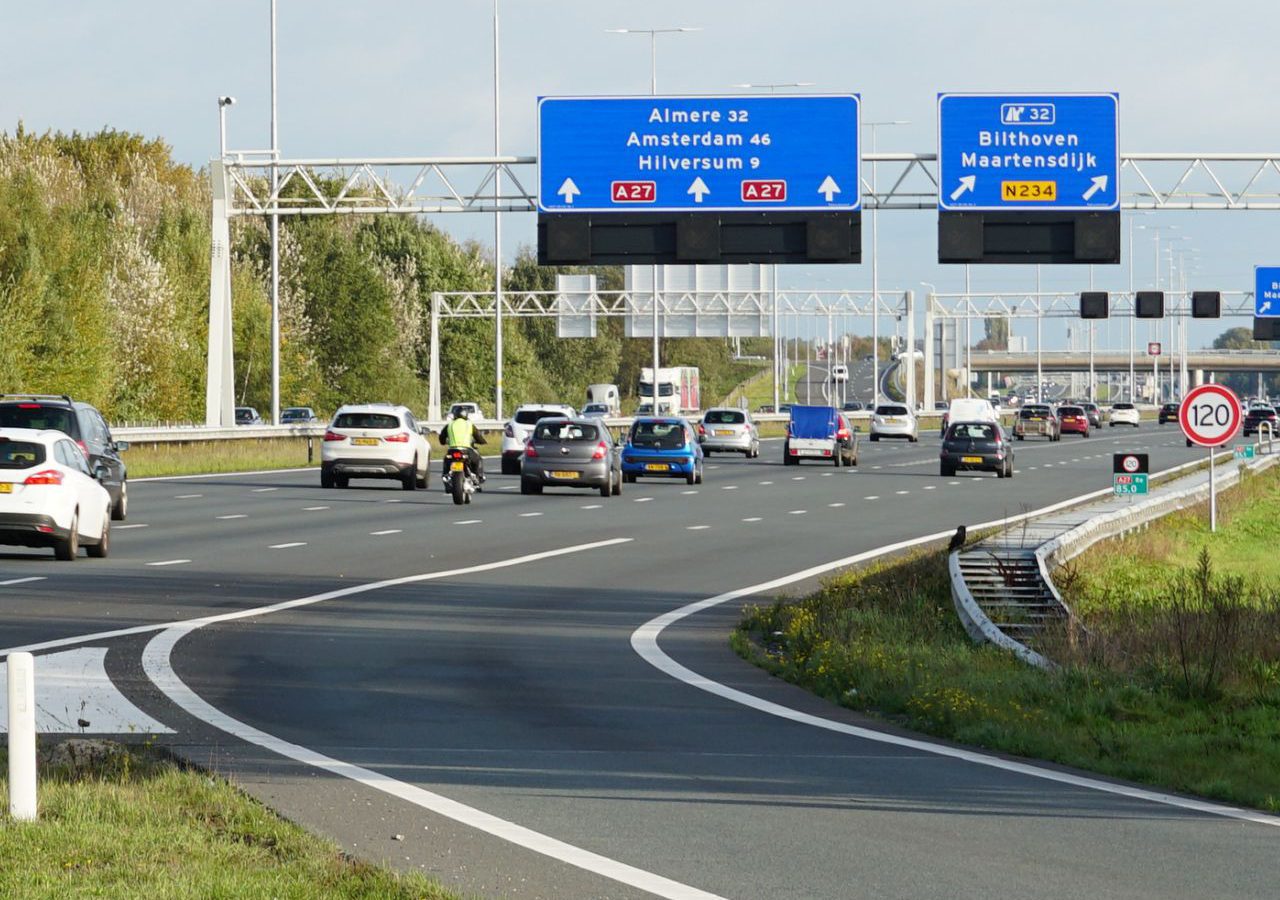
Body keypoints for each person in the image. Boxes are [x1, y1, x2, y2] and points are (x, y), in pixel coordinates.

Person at [440, 406, 486, 483]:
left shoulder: (450, 425)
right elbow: (478, 436)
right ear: (466, 415)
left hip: (452, 450)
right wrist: (482, 441)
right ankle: (478, 477)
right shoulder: (469, 424)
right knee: (477, 459)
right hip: (466, 450)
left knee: (446, 460)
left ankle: (445, 475)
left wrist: (443, 442)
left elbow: (442, 437)